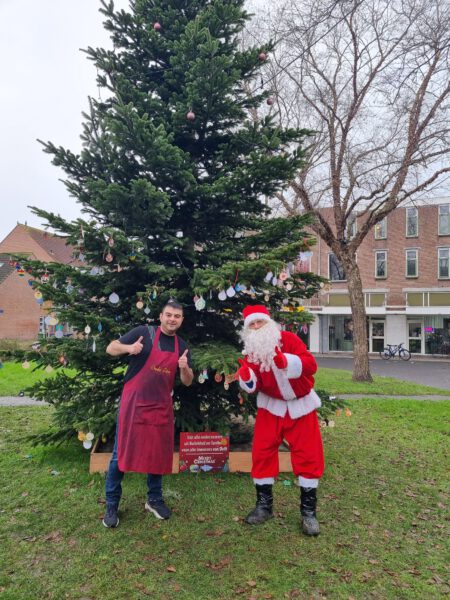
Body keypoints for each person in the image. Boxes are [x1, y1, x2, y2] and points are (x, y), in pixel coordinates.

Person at [102, 300, 194, 528]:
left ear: (182, 320)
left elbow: (187, 381)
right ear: (161, 316)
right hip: (134, 403)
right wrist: (129, 349)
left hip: (160, 405)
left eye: (177, 316)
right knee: (120, 454)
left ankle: (154, 499)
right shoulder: (143, 333)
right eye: (169, 315)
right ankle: (111, 504)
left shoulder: (182, 346)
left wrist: (184, 367)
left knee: (157, 453)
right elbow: (110, 348)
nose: (172, 319)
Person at [237, 305, 324, 536]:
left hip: (301, 405)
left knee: (309, 454)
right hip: (271, 407)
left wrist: (287, 362)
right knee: (262, 452)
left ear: (269, 323)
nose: (257, 327)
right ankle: (264, 506)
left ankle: (308, 512)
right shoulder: (251, 352)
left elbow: (311, 365)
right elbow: (253, 385)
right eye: (252, 324)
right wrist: (247, 378)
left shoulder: (289, 340)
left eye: (260, 322)